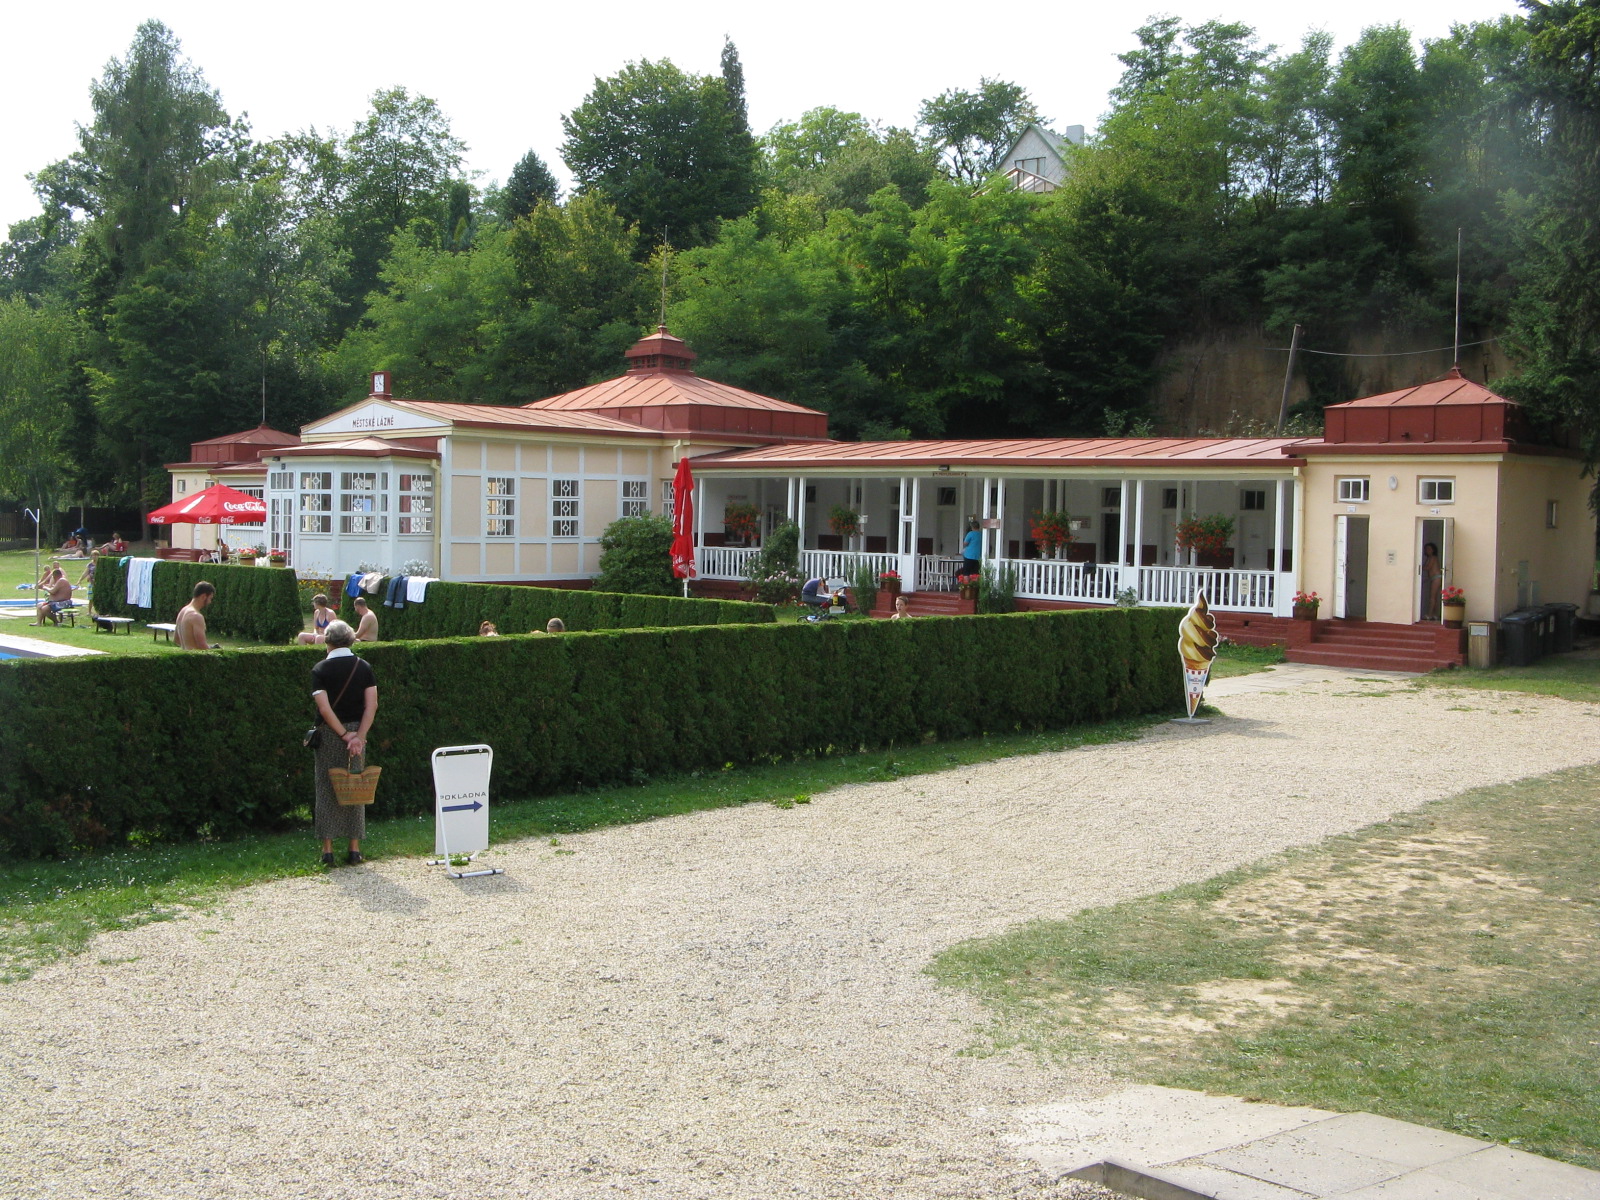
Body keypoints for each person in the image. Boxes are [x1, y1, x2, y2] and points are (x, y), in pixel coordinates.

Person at [310, 619, 377, 867]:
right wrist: (358, 736)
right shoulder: (364, 667)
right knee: (356, 786)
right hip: (358, 732)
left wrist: (343, 734)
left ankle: (327, 850)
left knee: (326, 787)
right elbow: (372, 705)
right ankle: (354, 849)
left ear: (328, 641)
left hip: (330, 733)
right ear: (350, 640)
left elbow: (324, 709)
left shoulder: (320, 669)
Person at [174, 581, 219, 650]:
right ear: (203, 596)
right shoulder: (196, 616)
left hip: (184, 653)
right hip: (195, 656)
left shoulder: (182, 611)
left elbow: (176, 640)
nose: (210, 602)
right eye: (210, 598)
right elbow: (202, 646)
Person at [1421, 541, 1443, 621]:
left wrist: (1419, 567)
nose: (1427, 550)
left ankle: (1429, 614)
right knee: (1435, 597)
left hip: (1436, 578)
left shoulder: (1433, 557)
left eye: (1429, 549)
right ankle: (1435, 614)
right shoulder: (1429, 558)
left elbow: (1428, 567)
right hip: (1434, 578)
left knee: (1432, 597)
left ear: (1433, 550)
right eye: (1426, 549)